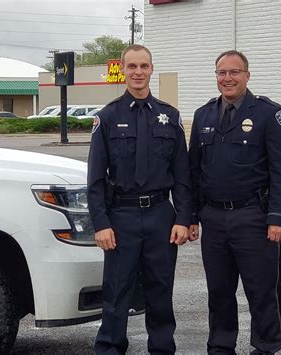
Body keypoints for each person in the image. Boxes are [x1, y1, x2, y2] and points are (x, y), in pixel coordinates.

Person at [87, 44, 191, 355]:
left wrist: (183, 218)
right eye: (132, 66)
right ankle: (110, 348)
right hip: (121, 217)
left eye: (143, 66)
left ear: (151, 69)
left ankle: (162, 349)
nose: (138, 72)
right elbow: (95, 179)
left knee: (161, 291)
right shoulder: (107, 117)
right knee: (117, 293)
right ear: (123, 70)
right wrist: (101, 224)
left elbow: (182, 174)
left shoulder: (169, 117)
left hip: (161, 216)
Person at [188, 50, 281, 354]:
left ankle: (265, 347)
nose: (227, 78)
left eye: (234, 72)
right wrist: (193, 215)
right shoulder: (203, 115)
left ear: (247, 75)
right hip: (214, 218)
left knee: (260, 291)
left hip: (254, 218)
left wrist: (278, 217)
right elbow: (194, 168)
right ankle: (221, 346)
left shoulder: (268, 113)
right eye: (221, 73)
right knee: (219, 291)